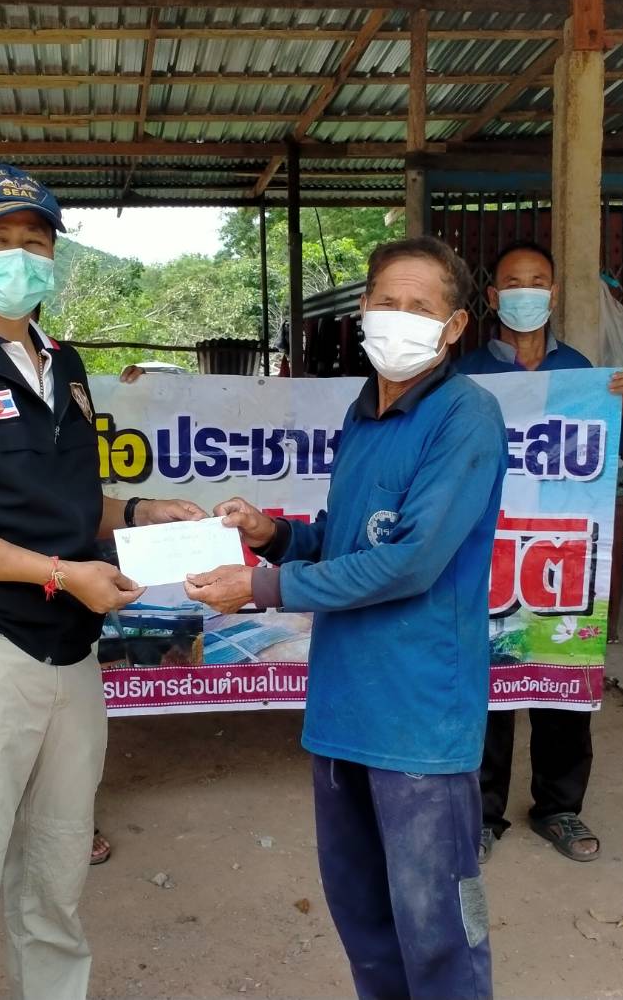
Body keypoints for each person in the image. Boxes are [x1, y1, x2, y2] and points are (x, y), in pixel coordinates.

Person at [0, 163, 205, 1000]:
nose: (18, 255)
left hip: (72, 656)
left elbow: (69, 503)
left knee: (55, 884)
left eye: (35, 241)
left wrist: (138, 514)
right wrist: (60, 573)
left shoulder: (64, 364)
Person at [186, 237, 507, 1000]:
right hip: (343, 708)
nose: (399, 317)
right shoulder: (363, 414)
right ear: (361, 309)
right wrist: (274, 535)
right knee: (362, 919)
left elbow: (408, 562)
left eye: (420, 307)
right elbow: (349, 539)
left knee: (437, 933)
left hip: (420, 717)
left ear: (455, 325)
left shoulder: (466, 415)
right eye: (386, 302)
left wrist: (261, 585)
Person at [455, 240, 623, 865]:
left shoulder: (580, 373)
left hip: (561, 551)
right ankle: (481, 814)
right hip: (483, 549)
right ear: (493, 296)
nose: (526, 292)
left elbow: (603, 450)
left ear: (554, 293)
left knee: (561, 668)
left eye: (537, 281)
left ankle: (559, 807)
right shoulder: (463, 376)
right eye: (513, 282)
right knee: (486, 681)